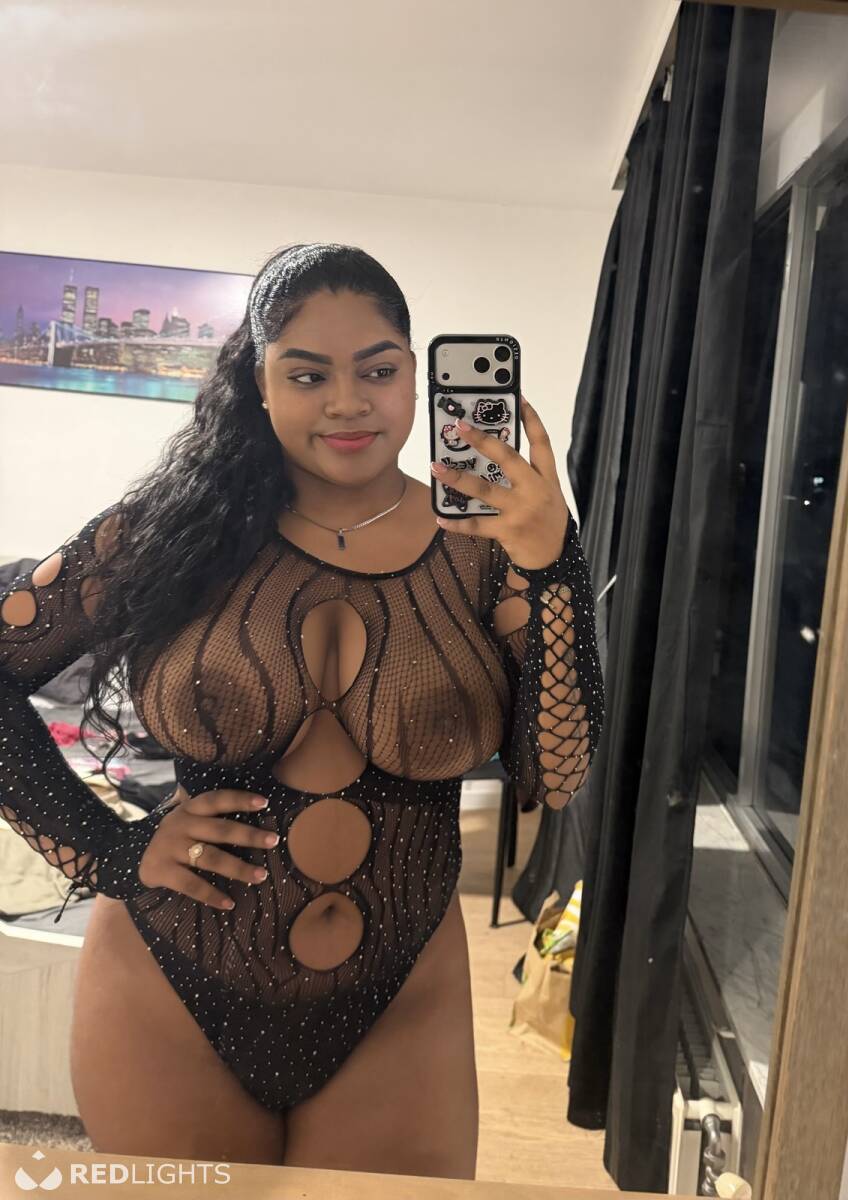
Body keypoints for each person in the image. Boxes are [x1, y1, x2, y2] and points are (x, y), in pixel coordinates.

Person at [0, 243, 604, 1177]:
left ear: (415, 377)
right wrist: (107, 849)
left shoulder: (492, 552)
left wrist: (553, 562)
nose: (347, 402)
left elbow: (556, 777)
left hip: (401, 997)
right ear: (260, 383)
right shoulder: (167, 533)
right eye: (308, 374)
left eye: (378, 370)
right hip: (169, 981)